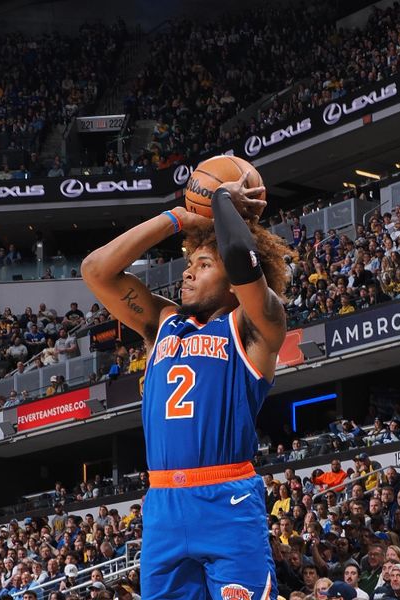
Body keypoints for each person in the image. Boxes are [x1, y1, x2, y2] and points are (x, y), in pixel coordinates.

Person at [82, 172, 286, 599]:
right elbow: (96, 270)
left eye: (203, 265)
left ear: (233, 279)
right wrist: (175, 218)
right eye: (189, 265)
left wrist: (222, 204)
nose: (188, 275)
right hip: (163, 504)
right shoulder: (162, 323)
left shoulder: (256, 324)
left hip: (227, 500)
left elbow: (236, 250)